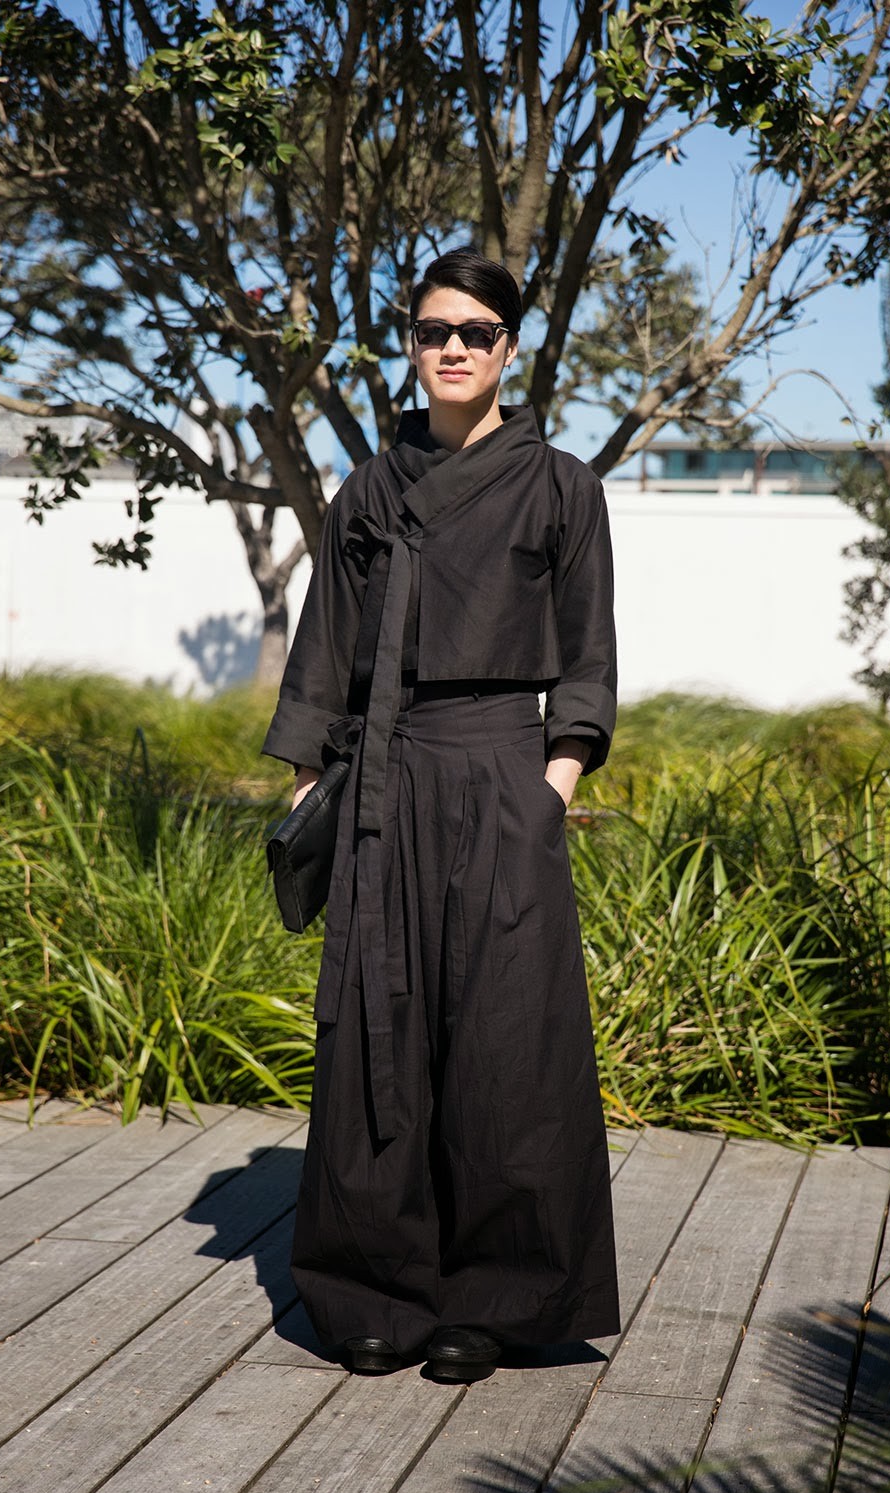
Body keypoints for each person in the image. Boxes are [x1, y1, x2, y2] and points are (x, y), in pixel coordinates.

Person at [263, 247, 620, 1384]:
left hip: (502, 770)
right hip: (383, 770)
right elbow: (324, 645)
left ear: (510, 345)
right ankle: (373, 1288)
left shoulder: (562, 486)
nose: (452, 347)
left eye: (474, 330)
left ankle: (501, 1299)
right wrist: (313, 782)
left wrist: (548, 788)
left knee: (508, 1043)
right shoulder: (369, 489)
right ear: (411, 347)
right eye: (431, 331)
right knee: (377, 1031)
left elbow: (589, 656)